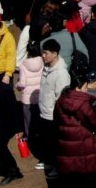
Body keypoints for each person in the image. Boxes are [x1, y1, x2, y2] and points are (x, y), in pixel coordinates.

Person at [55, 73, 96, 187]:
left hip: (67, 138)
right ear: (78, 87)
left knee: (72, 169)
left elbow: (56, 118)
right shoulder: (83, 103)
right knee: (87, 171)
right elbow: (94, 121)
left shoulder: (61, 99)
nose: (86, 90)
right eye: (85, 87)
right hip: (83, 138)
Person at [35, 38, 70, 176]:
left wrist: (57, 115)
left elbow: (61, 98)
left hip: (53, 116)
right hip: (44, 113)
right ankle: (49, 161)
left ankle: (57, 167)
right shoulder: (47, 68)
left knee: (56, 143)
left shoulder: (61, 74)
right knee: (48, 142)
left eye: (46, 53)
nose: (43, 56)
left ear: (55, 54)